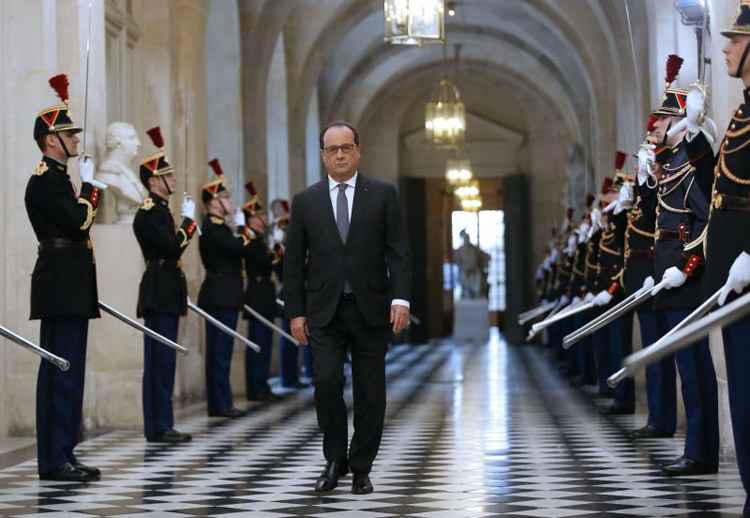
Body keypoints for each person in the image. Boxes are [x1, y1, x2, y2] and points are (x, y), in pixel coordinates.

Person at [284, 120, 411, 494]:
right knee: (325, 382)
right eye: (331, 149)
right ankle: (334, 457)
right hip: (324, 311)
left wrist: (400, 298)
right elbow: (293, 262)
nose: (339, 154)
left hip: (371, 309)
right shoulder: (306, 201)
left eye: (346, 147)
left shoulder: (383, 195)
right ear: (323, 155)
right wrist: (295, 312)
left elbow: (399, 252)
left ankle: (361, 465)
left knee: (371, 391)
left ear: (358, 150)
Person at [682, 4, 750, 514]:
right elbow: (720, 197)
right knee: (744, 397)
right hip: (732, 285)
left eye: (734, 39)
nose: (725, 46)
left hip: (746, 280)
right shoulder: (743, 113)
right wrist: (700, 146)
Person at [26, 74, 107, 481]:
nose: (77, 139)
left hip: (70, 285)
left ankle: (65, 451)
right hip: (59, 286)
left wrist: (85, 189)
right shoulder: (45, 182)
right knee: (60, 370)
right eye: (69, 134)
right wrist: (90, 189)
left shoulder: (59, 180)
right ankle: (53, 459)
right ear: (51, 139)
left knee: (70, 371)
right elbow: (78, 224)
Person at [649, 55, 718, 477]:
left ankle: (702, 451)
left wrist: (688, 266)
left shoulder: (690, 167)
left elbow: (705, 219)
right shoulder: (669, 167)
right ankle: (696, 447)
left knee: (694, 367)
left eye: (660, 120)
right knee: (684, 365)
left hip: (687, 279)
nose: (654, 128)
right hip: (670, 277)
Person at [132, 126, 197, 443]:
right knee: (159, 360)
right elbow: (171, 248)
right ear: (154, 180)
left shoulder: (160, 211)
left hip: (167, 289)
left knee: (166, 359)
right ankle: (158, 426)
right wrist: (188, 225)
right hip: (159, 289)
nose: (173, 180)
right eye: (168, 176)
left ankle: (163, 423)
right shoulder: (148, 213)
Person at [198, 158, 252, 418]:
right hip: (219, 294)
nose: (230, 203)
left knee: (223, 351)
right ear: (213, 202)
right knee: (219, 352)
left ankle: (222, 401)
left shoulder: (221, 227)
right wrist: (242, 228)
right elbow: (239, 248)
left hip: (226, 294)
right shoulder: (213, 228)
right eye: (226, 198)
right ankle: (220, 403)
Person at [241, 182, 282, 402]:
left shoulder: (260, 240)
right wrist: (276, 247)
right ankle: (255, 387)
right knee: (258, 341)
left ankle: (262, 384)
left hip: (265, 292)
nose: (265, 219)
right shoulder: (251, 240)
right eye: (261, 216)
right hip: (257, 293)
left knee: (264, 342)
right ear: (252, 218)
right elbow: (264, 263)